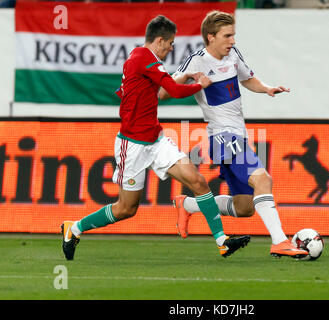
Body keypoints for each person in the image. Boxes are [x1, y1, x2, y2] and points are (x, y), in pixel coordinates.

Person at [61, 15, 250, 261]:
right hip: (133, 145)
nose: (171, 48)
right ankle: (74, 228)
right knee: (126, 209)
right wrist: (200, 84)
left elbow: (135, 91)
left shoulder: (138, 59)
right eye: (170, 43)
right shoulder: (144, 57)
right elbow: (172, 90)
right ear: (159, 40)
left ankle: (222, 241)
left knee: (198, 181)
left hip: (157, 140)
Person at [159, 11, 308, 258]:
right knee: (263, 180)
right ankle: (280, 242)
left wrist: (267, 89)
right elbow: (164, 93)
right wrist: (186, 77)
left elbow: (248, 79)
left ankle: (186, 205)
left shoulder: (233, 55)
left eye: (233, 35)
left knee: (245, 207)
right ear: (211, 37)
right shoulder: (196, 61)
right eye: (227, 36)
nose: (232, 41)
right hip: (223, 137)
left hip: (238, 136)